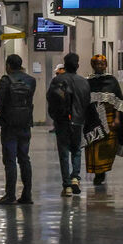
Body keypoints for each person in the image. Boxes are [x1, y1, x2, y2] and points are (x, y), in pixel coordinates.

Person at [83, 54, 123, 186]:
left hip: (109, 119)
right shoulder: (88, 81)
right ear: (93, 65)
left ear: (106, 65)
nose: (100, 66)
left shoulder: (112, 81)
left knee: (108, 147)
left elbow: (118, 101)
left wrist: (117, 118)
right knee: (94, 145)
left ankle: (103, 171)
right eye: (97, 63)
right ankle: (98, 173)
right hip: (93, 120)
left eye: (102, 63)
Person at [0, 53, 36, 205]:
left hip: (9, 125)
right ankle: (27, 194)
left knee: (10, 160)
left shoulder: (5, 80)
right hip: (25, 124)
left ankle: (10, 195)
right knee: (24, 158)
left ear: (8, 66)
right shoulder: (31, 80)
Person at [46, 53, 90, 196]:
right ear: (77, 65)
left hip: (62, 121)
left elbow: (51, 99)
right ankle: (75, 178)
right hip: (78, 122)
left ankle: (67, 186)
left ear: (64, 65)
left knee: (63, 152)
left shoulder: (57, 80)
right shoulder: (84, 82)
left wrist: (55, 116)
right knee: (77, 150)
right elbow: (87, 102)